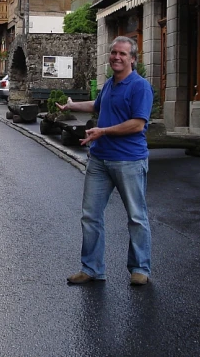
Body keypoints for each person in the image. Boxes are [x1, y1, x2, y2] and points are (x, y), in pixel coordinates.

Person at [58, 36, 154, 286]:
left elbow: (137, 124)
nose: (117, 57)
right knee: (90, 215)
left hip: (129, 161)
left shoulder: (140, 86)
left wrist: (103, 131)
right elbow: (97, 105)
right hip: (100, 160)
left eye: (122, 54)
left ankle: (140, 268)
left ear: (132, 58)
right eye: (113, 53)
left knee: (135, 216)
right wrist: (71, 106)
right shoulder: (110, 84)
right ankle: (91, 268)